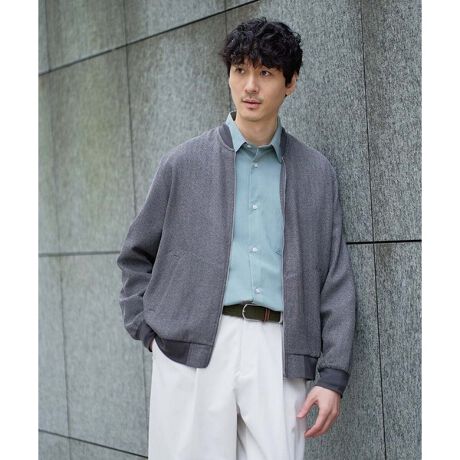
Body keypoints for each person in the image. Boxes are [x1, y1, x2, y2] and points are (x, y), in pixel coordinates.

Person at [117, 17, 357, 460]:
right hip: (192, 351)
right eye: (240, 70)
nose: (250, 85)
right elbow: (136, 256)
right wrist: (151, 334)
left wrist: (332, 375)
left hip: (279, 350)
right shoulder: (183, 164)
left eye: (265, 73)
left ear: (290, 83)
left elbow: (335, 279)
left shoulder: (315, 173)